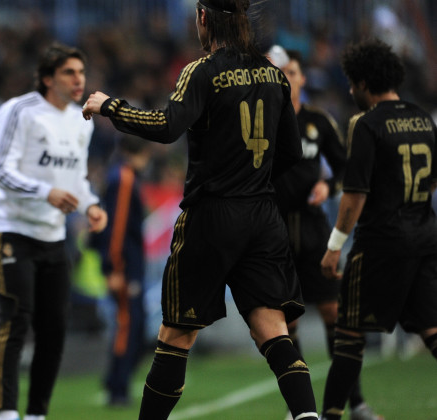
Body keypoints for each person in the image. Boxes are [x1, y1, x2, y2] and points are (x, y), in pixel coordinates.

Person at [82, 1, 319, 419]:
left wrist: (110, 107)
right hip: (263, 218)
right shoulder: (274, 74)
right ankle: (308, 416)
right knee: (272, 330)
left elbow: (168, 125)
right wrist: (254, 183)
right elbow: (291, 154)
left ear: (204, 17)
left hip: (211, 218)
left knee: (175, 335)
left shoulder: (202, 70)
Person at [0, 42, 108, 420]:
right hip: (12, 228)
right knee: (17, 318)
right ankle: (7, 413)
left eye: (82, 72)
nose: (79, 80)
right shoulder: (19, 110)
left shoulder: (79, 120)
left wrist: (90, 204)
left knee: (54, 328)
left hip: (54, 236)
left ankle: (37, 413)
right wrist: (46, 192)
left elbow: (77, 177)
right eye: (69, 73)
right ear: (46, 78)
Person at [319, 39, 437, 420]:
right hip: (424, 238)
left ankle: (332, 416)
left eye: (353, 83)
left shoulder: (367, 124)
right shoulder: (423, 118)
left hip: (380, 245)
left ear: (365, 82)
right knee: (432, 330)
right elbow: (432, 184)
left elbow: (353, 195)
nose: (351, 91)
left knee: (349, 336)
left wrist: (335, 245)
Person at [270, 48, 381, 420]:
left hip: (315, 232)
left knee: (335, 313)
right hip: (275, 233)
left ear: (302, 77)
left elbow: (346, 170)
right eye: (280, 72)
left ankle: (357, 402)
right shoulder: (259, 121)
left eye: (293, 71)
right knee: (286, 323)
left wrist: (328, 187)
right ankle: (296, 406)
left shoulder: (318, 120)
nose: (287, 77)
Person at [91, 135, 150, 407]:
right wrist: (114, 267)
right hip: (125, 266)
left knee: (133, 325)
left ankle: (115, 379)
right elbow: (117, 228)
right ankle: (117, 387)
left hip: (128, 264)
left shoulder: (118, 176)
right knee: (130, 325)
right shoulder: (124, 179)